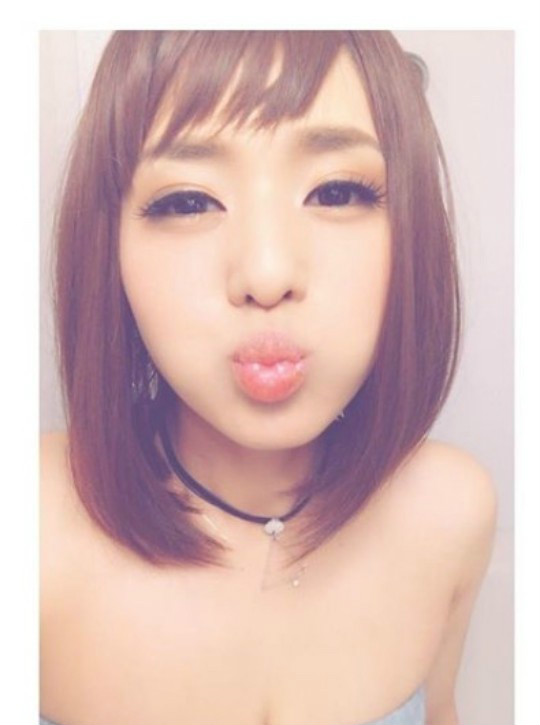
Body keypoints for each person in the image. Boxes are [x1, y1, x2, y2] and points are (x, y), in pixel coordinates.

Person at [40, 31, 497, 725]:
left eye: (337, 190)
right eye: (188, 201)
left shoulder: (451, 511)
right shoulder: (30, 526)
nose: (267, 271)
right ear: (108, 245)